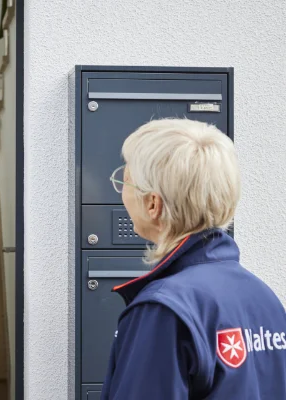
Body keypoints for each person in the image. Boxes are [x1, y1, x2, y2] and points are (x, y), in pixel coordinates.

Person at [102, 118, 286, 399]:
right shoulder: (263, 298)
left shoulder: (163, 310)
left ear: (153, 204)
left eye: (124, 181)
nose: (122, 194)